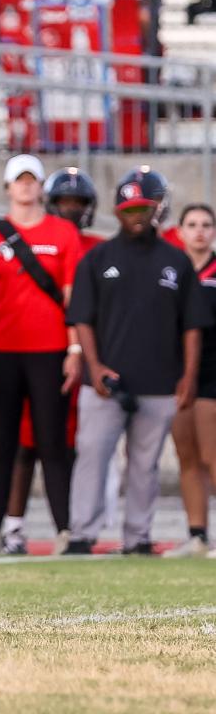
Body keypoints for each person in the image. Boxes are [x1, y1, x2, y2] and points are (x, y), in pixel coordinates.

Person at [64, 169, 211, 555]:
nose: (137, 216)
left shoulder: (176, 262)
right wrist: (93, 367)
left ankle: (138, 537)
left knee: (144, 466)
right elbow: (82, 318)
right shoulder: (97, 259)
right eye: (130, 209)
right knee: (92, 455)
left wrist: (189, 377)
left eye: (145, 208)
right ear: (117, 211)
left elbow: (193, 326)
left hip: (160, 380)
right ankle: (81, 532)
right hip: (106, 381)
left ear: (158, 209)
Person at [0, 155, 81, 555]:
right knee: (1, 444)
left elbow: (71, 297)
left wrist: (75, 348)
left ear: (42, 187)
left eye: (33, 180)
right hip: (0, 351)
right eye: (20, 180)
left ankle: (65, 532)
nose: (26, 186)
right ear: (7, 187)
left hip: (49, 351)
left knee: (53, 443)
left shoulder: (63, 233)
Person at [2, 166, 104, 554]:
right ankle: (15, 527)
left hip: (85, 360)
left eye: (78, 203)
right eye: (64, 202)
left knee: (80, 449)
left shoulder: (99, 248)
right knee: (28, 445)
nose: (71, 210)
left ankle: (81, 526)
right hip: (42, 355)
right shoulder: (31, 238)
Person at [163, 204, 216, 558]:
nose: (199, 231)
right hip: (177, 376)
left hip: (213, 375)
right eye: (192, 224)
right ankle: (197, 534)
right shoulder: (170, 270)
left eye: (206, 225)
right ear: (179, 230)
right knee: (187, 456)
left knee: (213, 455)